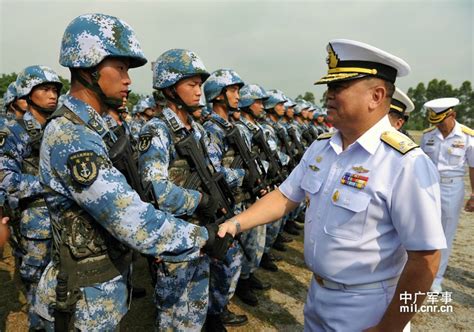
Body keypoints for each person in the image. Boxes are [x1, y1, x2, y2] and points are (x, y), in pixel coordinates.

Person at [218, 39, 446, 331]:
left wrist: (388, 328)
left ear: (376, 96)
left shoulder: (405, 163)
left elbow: (426, 258)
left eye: (338, 88)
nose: (327, 96)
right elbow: (285, 196)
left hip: (367, 307)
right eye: (329, 87)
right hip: (317, 297)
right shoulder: (323, 147)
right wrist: (235, 224)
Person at [33, 13, 230, 331]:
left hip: (99, 293)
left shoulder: (94, 129)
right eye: (121, 68)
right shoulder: (72, 136)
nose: (128, 79)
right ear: (89, 67)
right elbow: (131, 219)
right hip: (79, 302)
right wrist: (203, 237)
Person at [138, 48, 214, 330]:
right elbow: (157, 191)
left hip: (201, 234)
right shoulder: (157, 131)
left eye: (200, 85)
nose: (198, 93)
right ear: (170, 88)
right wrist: (200, 200)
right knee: (173, 317)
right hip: (174, 238)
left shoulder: (197, 130)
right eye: (192, 85)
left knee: (195, 312)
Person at [0, 65, 62, 330]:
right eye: (44, 89)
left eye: (55, 90)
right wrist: (49, 183)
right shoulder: (13, 132)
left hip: (64, 222)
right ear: (28, 93)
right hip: (35, 226)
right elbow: (5, 180)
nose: (52, 95)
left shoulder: (60, 128)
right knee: (37, 290)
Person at [420, 97, 474, 293]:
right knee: (422, 229)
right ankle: (417, 272)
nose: (439, 127)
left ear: (453, 115)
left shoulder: (467, 137)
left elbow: (473, 168)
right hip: (427, 186)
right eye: (435, 122)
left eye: (442, 121)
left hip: (452, 187)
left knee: (445, 234)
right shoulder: (428, 136)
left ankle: (435, 279)